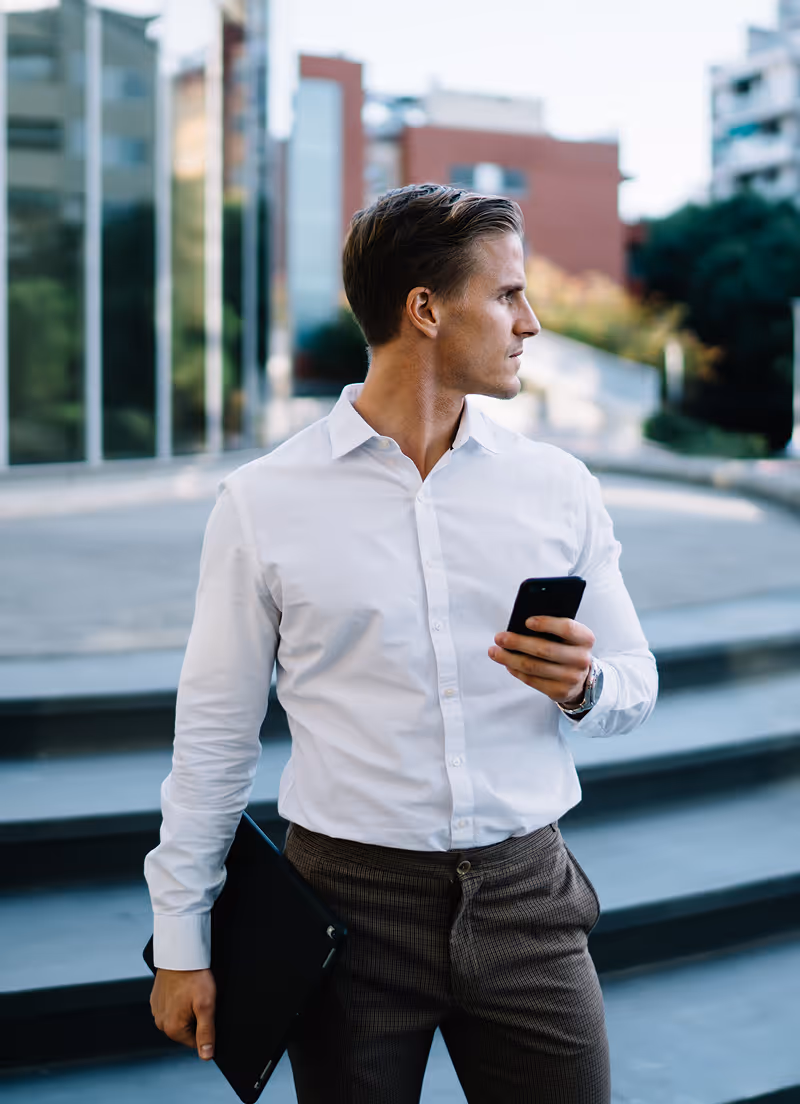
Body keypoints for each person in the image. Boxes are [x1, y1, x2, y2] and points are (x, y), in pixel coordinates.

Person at [145, 184, 658, 1103]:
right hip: (346, 912)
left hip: (528, 901)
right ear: (424, 309)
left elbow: (635, 680)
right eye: (507, 295)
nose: (530, 323)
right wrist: (181, 942)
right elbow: (214, 736)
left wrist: (585, 686)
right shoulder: (263, 502)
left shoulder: (558, 487)